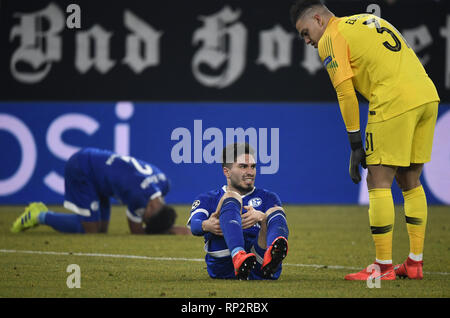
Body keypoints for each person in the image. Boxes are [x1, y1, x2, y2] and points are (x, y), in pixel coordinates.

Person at [290, 0, 439, 280]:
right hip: (427, 95)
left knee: (377, 181)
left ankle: (383, 267)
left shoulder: (331, 38)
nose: (307, 40)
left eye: (306, 32)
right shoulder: (367, 20)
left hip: (393, 99)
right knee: (410, 180)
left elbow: (345, 92)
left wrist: (355, 143)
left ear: (319, 19)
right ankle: (415, 262)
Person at [11, 148, 190, 235]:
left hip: (99, 168)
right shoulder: (138, 198)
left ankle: (41, 215)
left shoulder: (164, 183)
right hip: (83, 168)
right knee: (89, 229)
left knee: (101, 230)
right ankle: (40, 215)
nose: (142, 217)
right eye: (146, 218)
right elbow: (136, 231)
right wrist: (168, 231)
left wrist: (165, 227)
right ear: (150, 209)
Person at [187, 143, 289, 280]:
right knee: (232, 196)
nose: (250, 172)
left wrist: (262, 218)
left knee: (276, 211)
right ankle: (238, 254)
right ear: (226, 172)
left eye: (253, 167)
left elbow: (271, 218)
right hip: (224, 262)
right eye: (243, 166)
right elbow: (194, 225)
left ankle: (272, 257)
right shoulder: (208, 198)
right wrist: (207, 225)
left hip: (258, 261)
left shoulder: (268, 197)